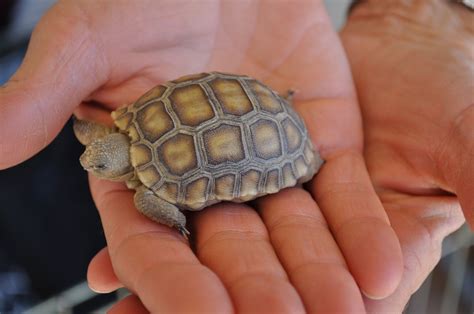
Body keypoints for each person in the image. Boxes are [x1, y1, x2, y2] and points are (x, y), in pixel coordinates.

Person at [0, 0, 470, 312]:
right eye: (100, 159)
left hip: (274, 146)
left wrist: (419, 9)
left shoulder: (145, 184)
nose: (93, 160)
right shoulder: (122, 125)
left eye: (100, 163)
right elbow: (89, 134)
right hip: (247, 98)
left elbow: (144, 192)